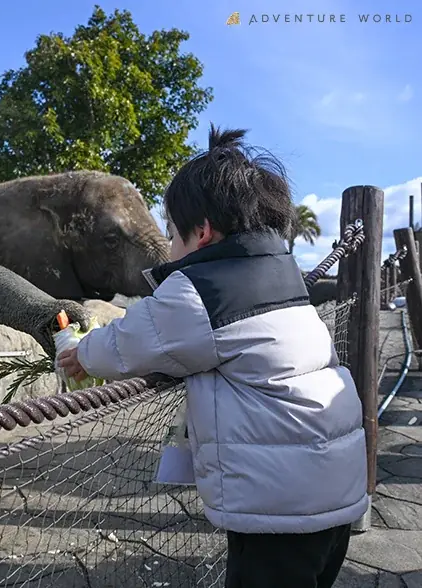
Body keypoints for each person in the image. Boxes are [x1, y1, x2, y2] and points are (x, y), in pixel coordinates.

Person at [58, 125, 368, 588]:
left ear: (201, 231)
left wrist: (78, 350)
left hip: (279, 514)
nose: (171, 247)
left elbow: (128, 343)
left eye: (172, 234)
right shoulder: (283, 278)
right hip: (332, 495)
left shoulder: (202, 290)